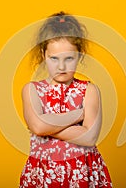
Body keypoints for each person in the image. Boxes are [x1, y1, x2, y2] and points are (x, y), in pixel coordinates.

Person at [19, 11, 112, 187]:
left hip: (83, 173)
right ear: (43, 55)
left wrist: (47, 126)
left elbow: (89, 137)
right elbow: (38, 126)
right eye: (54, 58)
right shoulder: (32, 90)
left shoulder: (89, 90)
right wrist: (78, 116)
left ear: (80, 56)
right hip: (43, 174)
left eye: (69, 58)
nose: (61, 66)